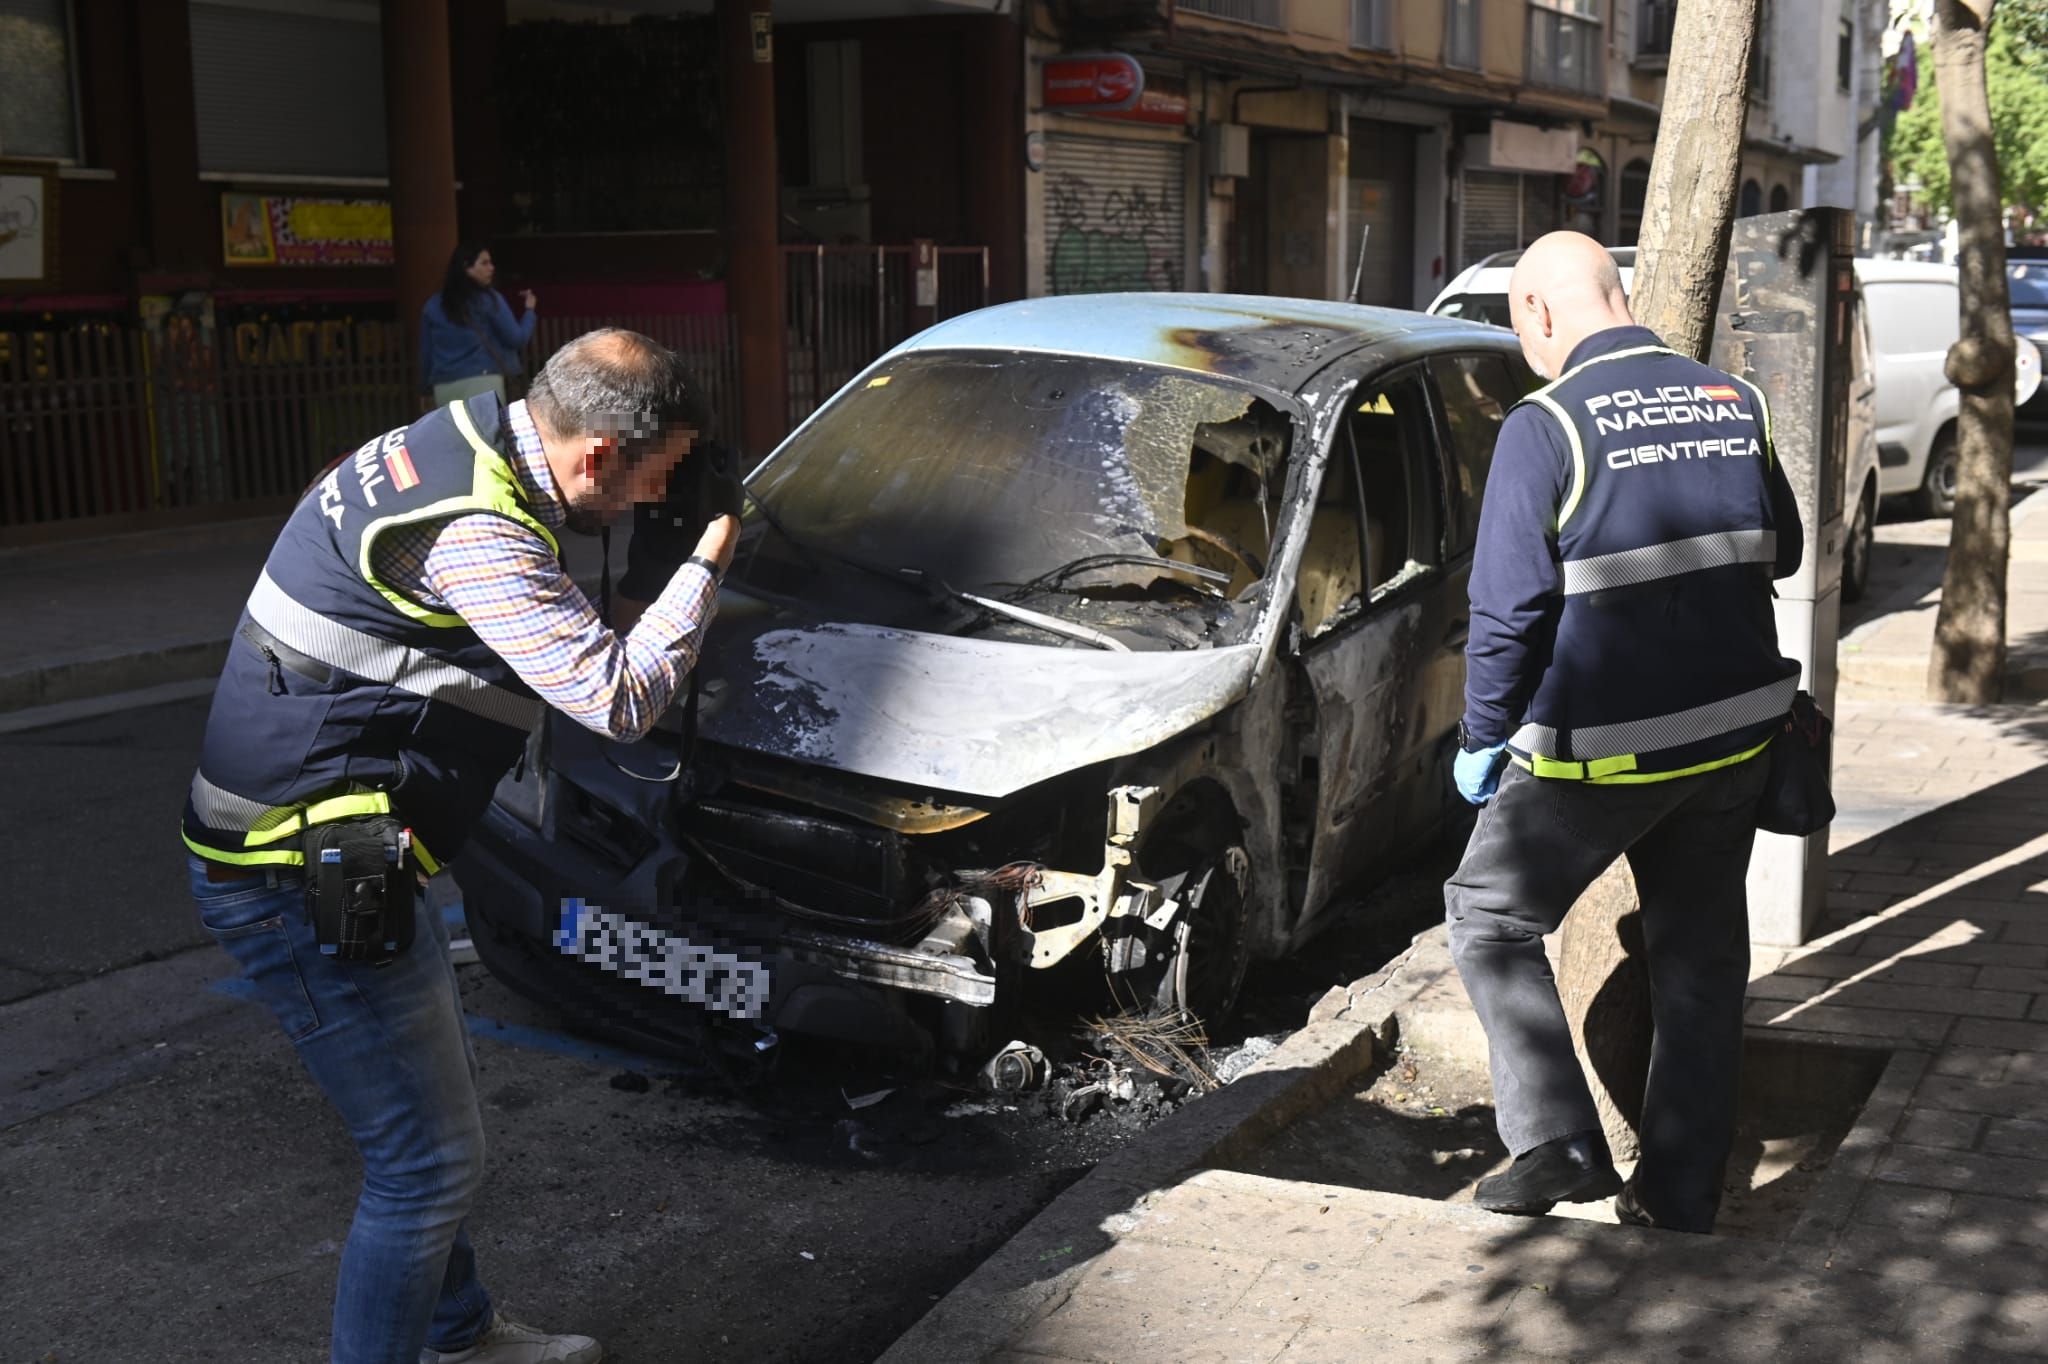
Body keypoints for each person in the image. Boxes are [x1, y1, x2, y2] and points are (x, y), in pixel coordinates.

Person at [182, 329, 738, 1363]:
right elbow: (614, 697)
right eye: (648, 483)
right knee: (425, 1160)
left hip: (345, 849)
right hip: (295, 875)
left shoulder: (453, 440)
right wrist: (707, 561)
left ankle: (458, 1332)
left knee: (418, 1135)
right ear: (594, 457)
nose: (643, 506)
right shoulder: (480, 526)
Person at [1445, 231, 1804, 1235]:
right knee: (1698, 959)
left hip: (1600, 751)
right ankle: (1679, 1192)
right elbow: (1781, 547)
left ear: (1537, 315)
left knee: (1486, 913)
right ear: (1617, 294)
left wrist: (1481, 734)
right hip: (1736, 738)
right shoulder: (1736, 401)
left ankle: (1555, 1139)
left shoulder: (1544, 422)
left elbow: (1507, 610)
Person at [420, 243, 538, 407]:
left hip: (444, 385)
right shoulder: (489, 300)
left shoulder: (433, 305)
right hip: (484, 382)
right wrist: (529, 312)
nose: (491, 268)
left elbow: (427, 353)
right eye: (484, 263)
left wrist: (425, 389)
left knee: (452, 433)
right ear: (466, 267)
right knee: (486, 433)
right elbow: (516, 339)